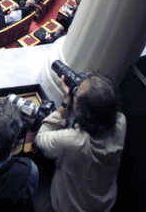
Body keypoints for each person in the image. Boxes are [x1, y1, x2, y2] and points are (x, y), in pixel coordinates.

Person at [35, 73, 126, 212]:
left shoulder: (73, 141)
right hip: (104, 205)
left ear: (83, 113)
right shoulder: (121, 123)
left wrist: (64, 105)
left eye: (77, 93)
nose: (74, 91)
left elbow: (41, 139)